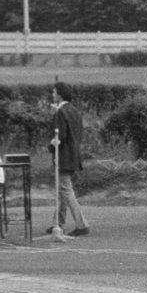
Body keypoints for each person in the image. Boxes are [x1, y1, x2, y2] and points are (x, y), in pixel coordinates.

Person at [48, 82, 90, 237]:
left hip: (64, 156)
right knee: (62, 190)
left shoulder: (60, 112)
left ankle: (81, 224)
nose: (52, 95)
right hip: (74, 155)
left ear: (59, 95)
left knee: (65, 190)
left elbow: (60, 136)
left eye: (54, 92)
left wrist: (51, 146)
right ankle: (57, 223)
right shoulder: (74, 111)